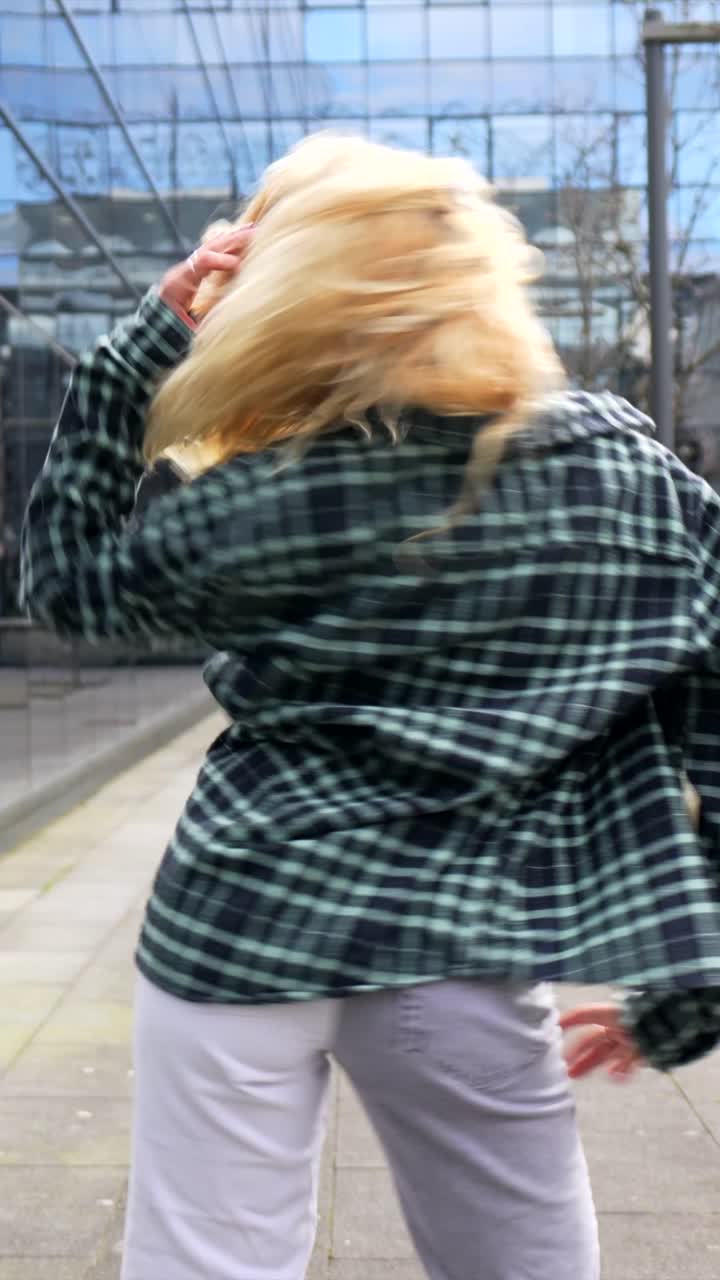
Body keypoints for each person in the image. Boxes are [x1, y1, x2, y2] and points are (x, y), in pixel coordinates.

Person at [20, 135, 720, 1280]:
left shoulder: (261, 497)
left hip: (240, 918)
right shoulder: (622, 478)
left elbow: (69, 586)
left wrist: (138, 348)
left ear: (283, 298)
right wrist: (694, 979)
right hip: (468, 932)